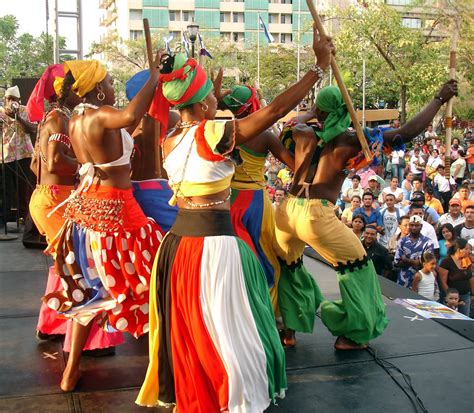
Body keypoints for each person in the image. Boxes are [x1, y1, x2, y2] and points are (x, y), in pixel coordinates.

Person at [138, 27, 335, 410]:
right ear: (202, 103)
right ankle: (227, 397)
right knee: (230, 330)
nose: (217, 99)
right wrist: (318, 68)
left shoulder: (172, 137)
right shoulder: (211, 133)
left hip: (178, 246)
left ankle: (198, 394)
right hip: (211, 248)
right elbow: (276, 110)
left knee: (193, 327)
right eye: (212, 95)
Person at [274, 78, 457, 351]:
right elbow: (405, 133)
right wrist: (439, 99)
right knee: (357, 268)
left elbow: (294, 121)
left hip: (286, 210)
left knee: (289, 267)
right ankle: (353, 335)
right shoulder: (350, 140)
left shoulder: (300, 132)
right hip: (315, 216)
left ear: (320, 111)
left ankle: (288, 330)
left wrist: (314, 112)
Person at [42, 58, 166, 392]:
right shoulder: (100, 115)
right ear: (98, 89)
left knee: (89, 294)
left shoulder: (76, 119)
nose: (112, 86)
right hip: (117, 212)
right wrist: (152, 78)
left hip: (85, 215)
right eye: (110, 82)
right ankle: (166, 367)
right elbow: (129, 116)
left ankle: (70, 371)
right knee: (156, 280)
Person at [28, 64, 123, 353]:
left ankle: (53, 324)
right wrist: (86, 166)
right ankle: (88, 342)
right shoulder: (60, 120)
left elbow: (37, 165)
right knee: (80, 266)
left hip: (49, 197)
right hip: (56, 199)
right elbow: (56, 162)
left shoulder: (54, 118)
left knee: (63, 265)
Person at [219, 81, 295, 312]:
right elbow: (293, 163)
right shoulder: (265, 135)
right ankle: (267, 313)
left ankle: (238, 310)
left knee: (236, 260)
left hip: (227, 201)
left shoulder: (220, 129)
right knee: (266, 257)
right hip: (255, 202)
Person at [0, 85, 37, 222]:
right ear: (5, 100)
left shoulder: (25, 110)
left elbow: (33, 129)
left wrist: (18, 118)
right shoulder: (1, 112)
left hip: (24, 154)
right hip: (5, 156)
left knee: (24, 188)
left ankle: (24, 217)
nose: (11, 102)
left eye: (14, 99)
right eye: (9, 99)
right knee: (6, 190)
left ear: (19, 100)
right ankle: (4, 220)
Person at [394, 215, 435, 288]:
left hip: (421, 283)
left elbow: (426, 264)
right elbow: (397, 262)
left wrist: (406, 260)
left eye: (416, 225)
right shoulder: (402, 241)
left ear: (421, 226)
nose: (414, 228)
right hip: (403, 281)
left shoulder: (428, 242)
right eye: (411, 225)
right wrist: (415, 262)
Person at [438, 238, 473, 317]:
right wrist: (451, 297)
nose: (469, 251)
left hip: (465, 296)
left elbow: (470, 278)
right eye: (466, 249)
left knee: (465, 319)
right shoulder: (446, 262)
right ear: (459, 250)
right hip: (451, 299)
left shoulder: (467, 261)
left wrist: (473, 294)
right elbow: (442, 281)